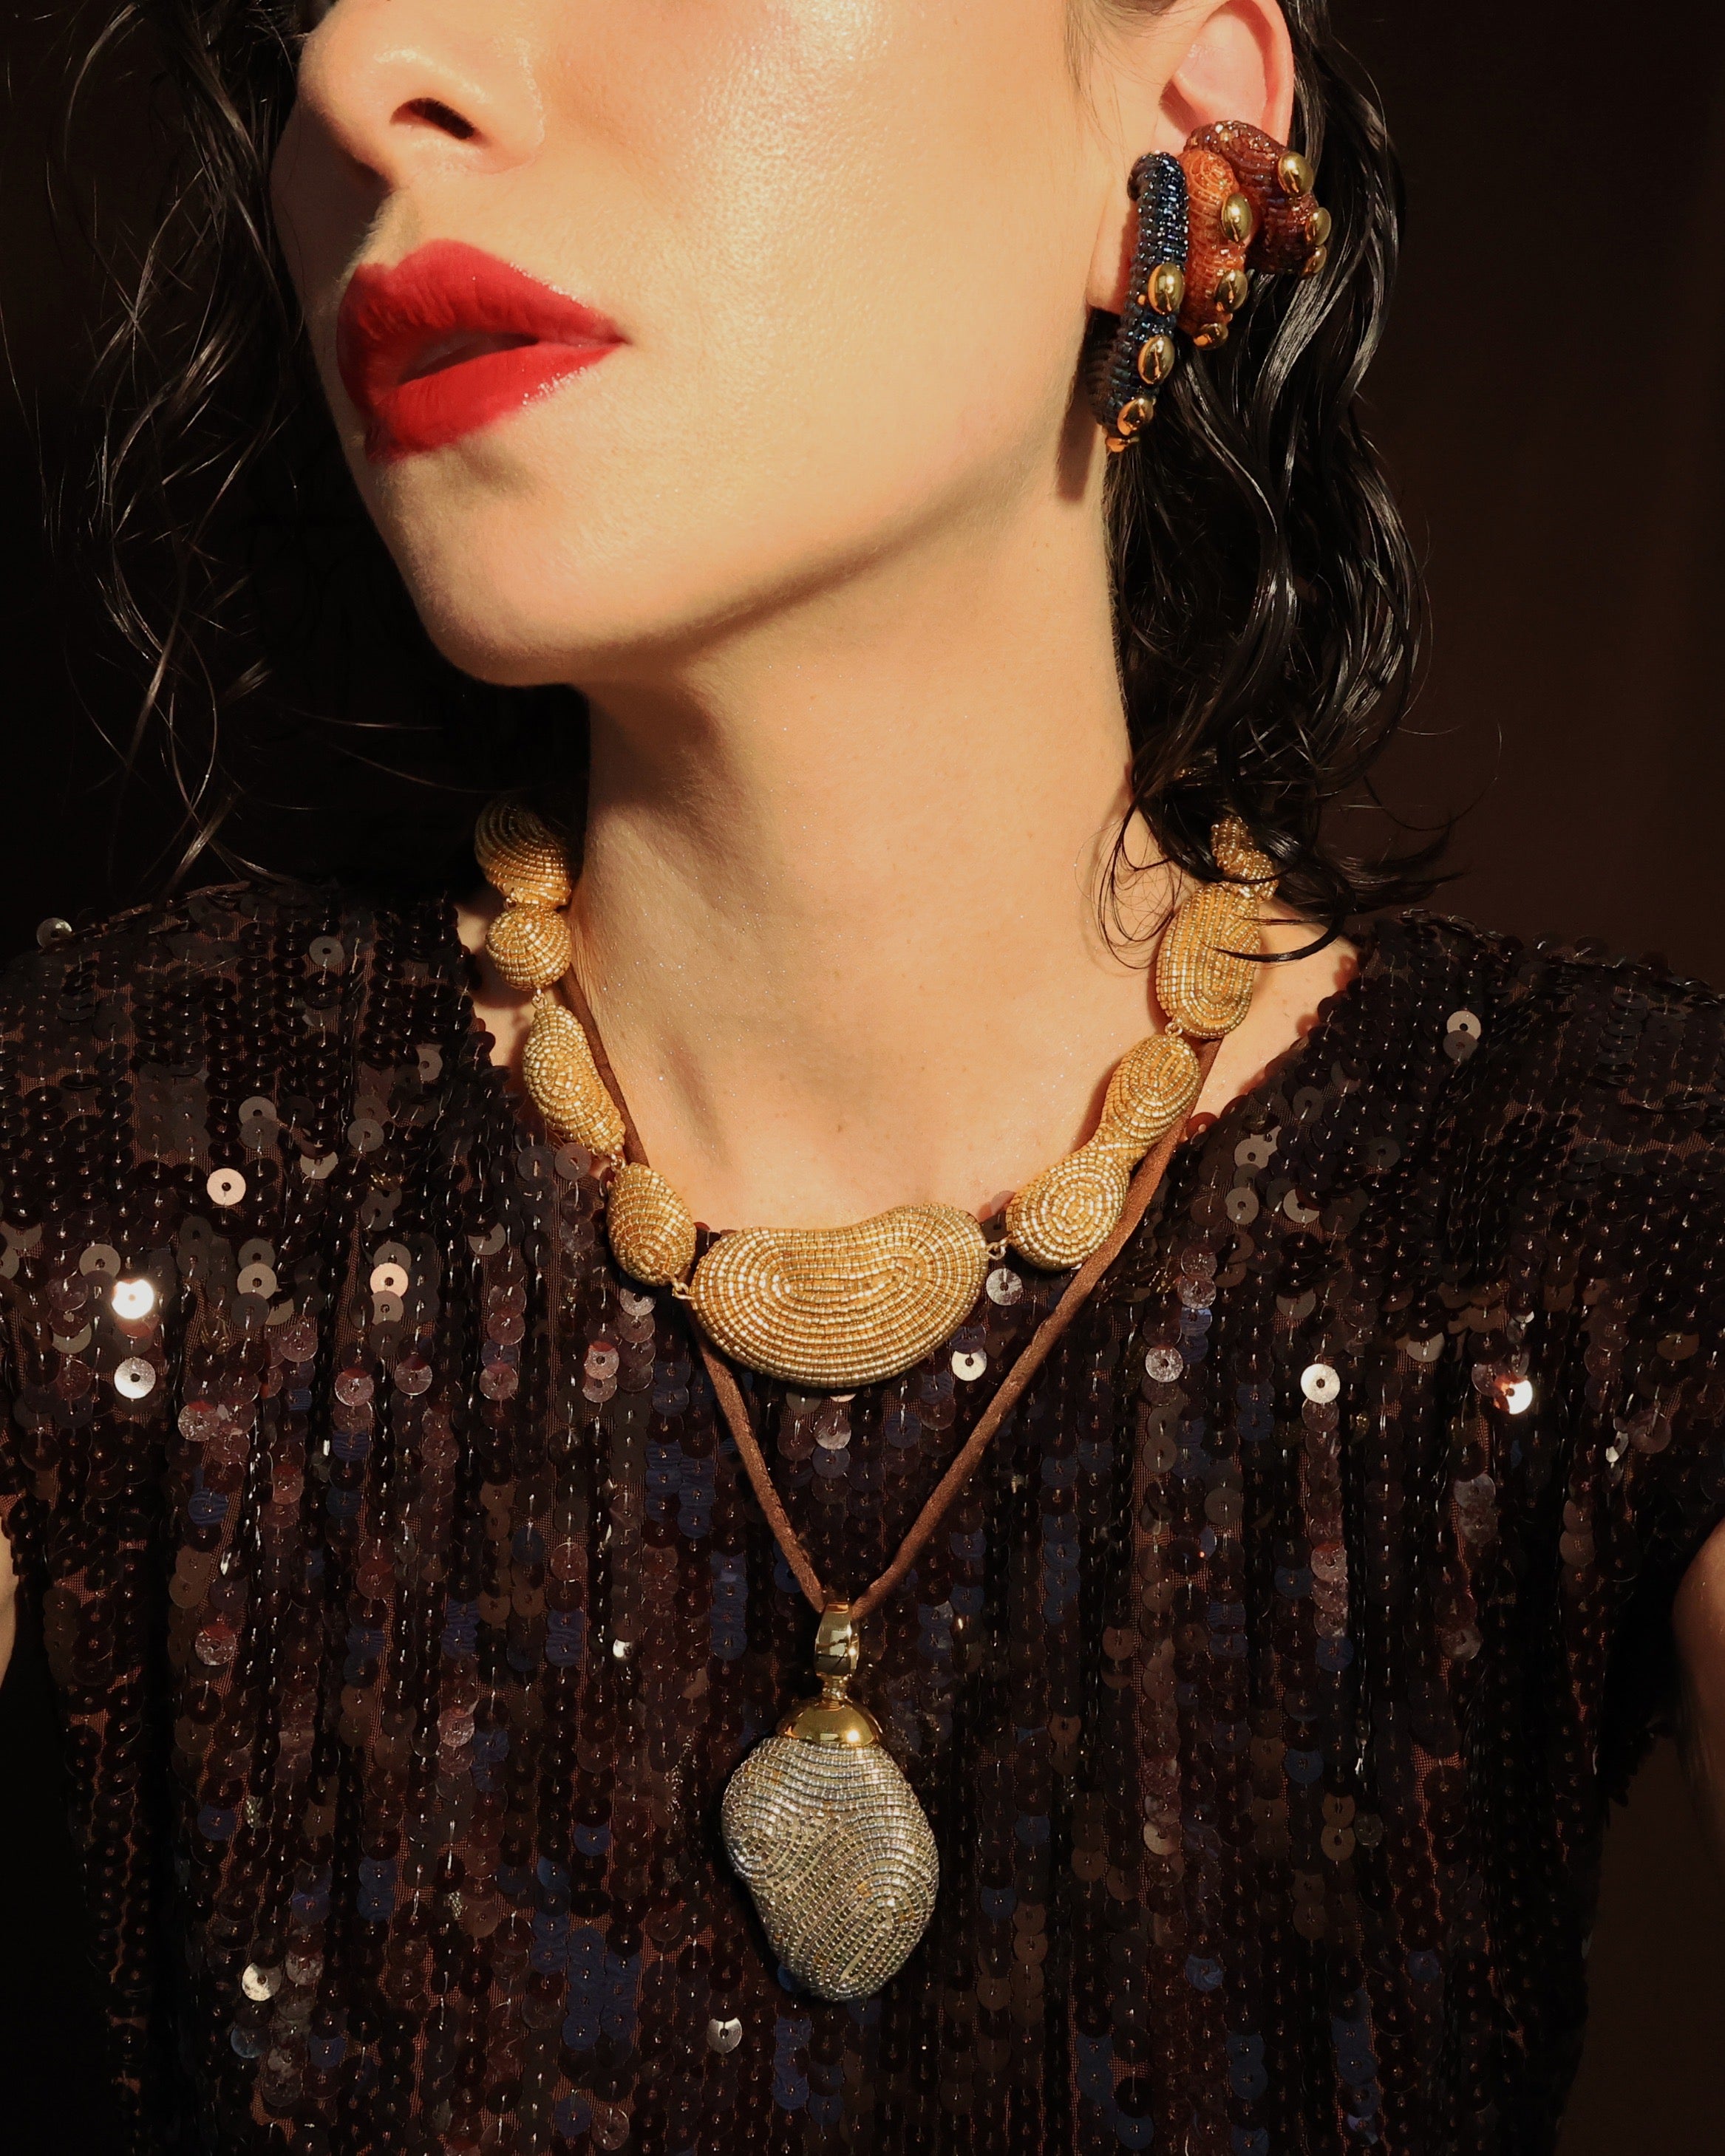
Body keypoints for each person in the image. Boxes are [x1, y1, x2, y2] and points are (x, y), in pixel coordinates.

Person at [1, 0, 1721, 2151]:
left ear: (1186, 116)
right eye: (305, 3)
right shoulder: (86, 1156)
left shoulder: (1622, 1215)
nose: (363, 73)